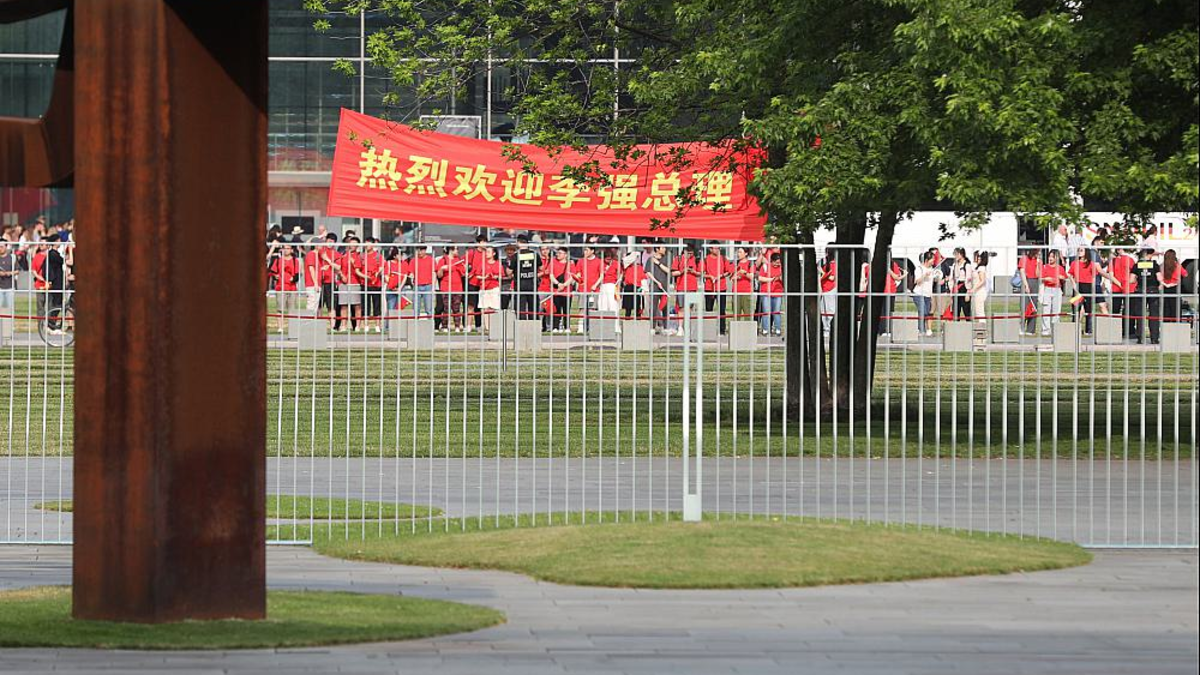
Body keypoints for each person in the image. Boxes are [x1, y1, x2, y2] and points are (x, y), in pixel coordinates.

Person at [1130, 248, 1161, 344]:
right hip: (1153, 291)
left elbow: (1131, 280)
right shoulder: (1154, 265)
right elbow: (1159, 278)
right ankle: (1154, 338)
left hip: (1140, 291)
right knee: (1154, 315)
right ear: (1148, 255)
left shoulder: (1137, 265)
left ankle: (1140, 338)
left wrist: (1137, 279)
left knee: (1140, 315)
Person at [1067, 246, 1099, 335]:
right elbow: (1069, 274)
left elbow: (1093, 277)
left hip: (1088, 287)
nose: (1079, 252)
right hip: (1078, 287)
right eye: (1078, 250)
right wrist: (1073, 284)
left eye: (1081, 250)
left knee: (1089, 309)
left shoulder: (1091, 264)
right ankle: (1075, 329)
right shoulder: (1074, 263)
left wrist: (1093, 289)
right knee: (1075, 309)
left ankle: (1088, 330)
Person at [269, 243, 301, 333]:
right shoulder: (278, 260)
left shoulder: (295, 261)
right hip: (280, 287)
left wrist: (293, 279)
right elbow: (272, 272)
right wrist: (275, 276)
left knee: (292, 309)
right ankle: (280, 327)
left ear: (291, 250)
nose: (286, 250)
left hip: (292, 288)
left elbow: (298, 274)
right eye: (284, 248)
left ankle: (293, 328)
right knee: (280, 308)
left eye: (288, 248)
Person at [335, 237, 364, 332]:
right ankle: (343, 325)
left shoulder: (360, 256)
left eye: (355, 244)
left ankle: (358, 326)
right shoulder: (343, 255)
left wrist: (353, 263)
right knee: (343, 305)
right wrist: (341, 275)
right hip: (344, 283)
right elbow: (338, 268)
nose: (353, 245)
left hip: (355, 283)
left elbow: (359, 270)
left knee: (357, 306)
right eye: (351, 243)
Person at [509, 235, 541, 321]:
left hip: (520, 284)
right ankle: (533, 325)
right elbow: (541, 268)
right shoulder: (535, 254)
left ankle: (521, 326)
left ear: (519, 243)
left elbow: (509, 271)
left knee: (520, 308)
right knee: (533, 307)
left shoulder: (515, 256)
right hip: (532, 284)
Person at [574, 244, 604, 333]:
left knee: (592, 309)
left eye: (586, 250)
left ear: (592, 251)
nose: (585, 252)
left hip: (593, 290)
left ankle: (592, 328)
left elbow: (601, 275)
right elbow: (578, 273)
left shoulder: (599, 261)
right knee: (582, 308)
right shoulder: (580, 261)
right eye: (584, 250)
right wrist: (577, 277)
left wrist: (595, 285)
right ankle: (580, 327)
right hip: (582, 288)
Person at [1108, 247, 1137, 339]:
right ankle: (1129, 331)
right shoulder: (1130, 260)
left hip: (1116, 288)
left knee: (1115, 310)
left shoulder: (1113, 261)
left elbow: (1111, 275)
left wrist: (1119, 284)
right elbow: (1134, 273)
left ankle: (1114, 331)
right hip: (1129, 287)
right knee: (1129, 310)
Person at [437, 245, 466, 332]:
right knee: (446, 308)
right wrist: (442, 268)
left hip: (457, 287)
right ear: (451, 250)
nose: (457, 251)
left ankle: (457, 326)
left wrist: (462, 267)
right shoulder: (443, 260)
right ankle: (445, 326)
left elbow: (463, 274)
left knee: (456, 308)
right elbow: (439, 275)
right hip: (446, 287)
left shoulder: (459, 260)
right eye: (456, 249)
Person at [702, 245, 730, 334]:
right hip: (709, 288)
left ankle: (722, 330)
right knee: (708, 309)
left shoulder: (723, 258)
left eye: (719, 248)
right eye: (716, 248)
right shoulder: (705, 259)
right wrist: (709, 276)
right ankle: (708, 330)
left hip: (721, 287)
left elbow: (728, 271)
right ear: (710, 249)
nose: (718, 250)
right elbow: (701, 273)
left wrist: (720, 276)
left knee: (722, 309)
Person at [910, 251, 940, 336]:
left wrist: (936, 278)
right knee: (922, 310)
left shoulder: (931, 269)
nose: (933, 261)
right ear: (927, 260)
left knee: (926, 312)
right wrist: (924, 275)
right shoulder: (919, 269)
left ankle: (922, 329)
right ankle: (921, 330)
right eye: (932, 259)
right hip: (919, 294)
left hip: (927, 295)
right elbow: (917, 281)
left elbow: (933, 280)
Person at [1157, 249, 1188, 328]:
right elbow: (1185, 274)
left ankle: (1166, 328)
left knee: (1166, 310)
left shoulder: (1161, 266)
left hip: (1165, 289)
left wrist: (1165, 284)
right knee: (1176, 310)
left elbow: (1159, 277)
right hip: (1175, 288)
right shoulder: (1177, 266)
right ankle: (1176, 328)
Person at [1039, 250, 1067, 336]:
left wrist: (1061, 277)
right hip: (1047, 289)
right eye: (1049, 256)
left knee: (1056, 310)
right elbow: (1041, 277)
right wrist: (1046, 279)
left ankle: (1055, 328)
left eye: (1052, 257)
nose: (1050, 258)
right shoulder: (1045, 267)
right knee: (1046, 309)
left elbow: (1064, 278)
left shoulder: (1060, 268)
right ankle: (1045, 329)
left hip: (1057, 289)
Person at [646, 245, 674, 334]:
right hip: (654, 286)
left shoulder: (667, 259)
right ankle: (653, 327)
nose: (664, 249)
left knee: (665, 306)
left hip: (665, 286)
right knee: (653, 307)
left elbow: (669, 270)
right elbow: (648, 272)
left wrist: (658, 263)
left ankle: (665, 327)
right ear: (657, 249)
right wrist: (656, 281)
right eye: (663, 248)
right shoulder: (650, 259)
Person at [548, 247, 575, 332]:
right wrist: (558, 284)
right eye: (557, 253)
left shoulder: (570, 264)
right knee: (556, 310)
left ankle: (567, 327)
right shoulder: (553, 262)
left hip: (567, 291)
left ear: (565, 255)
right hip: (556, 291)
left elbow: (572, 277)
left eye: (560, 253)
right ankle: (555, 327)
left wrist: (564, 285)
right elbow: (551, 275)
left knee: (566, 310)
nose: (558, 255)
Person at [757, 251, 784, 335]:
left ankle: (778, 329)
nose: (777, 264)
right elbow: (760, 278)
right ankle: (765, 329)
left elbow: (784, 279)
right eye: (775, 263)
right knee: (766, 311)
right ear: (771, 261)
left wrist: (779, 278)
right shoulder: (765, 266)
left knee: (776, 311)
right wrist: (771, 279)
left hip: (777, 293)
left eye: (779, 263)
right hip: (766, 292)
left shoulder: (782, 268)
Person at [477, 246, 503, 331]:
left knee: (494, 307)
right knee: (484, 308)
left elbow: (501, 275)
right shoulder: (482, 264)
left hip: (494, 287)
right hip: (484, 288)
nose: (486, 254)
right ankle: (487, 327)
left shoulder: (498, 264)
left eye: (488, 252)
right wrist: (484, 277)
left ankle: (493, 327)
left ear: (494, 253)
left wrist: (495, 276)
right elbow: (477, 275)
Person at [1017, 248, 1042, 335]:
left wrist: (1038, 263)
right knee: (1024, 305)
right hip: (1026, 281)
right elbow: (1022, 271)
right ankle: (1022, 327)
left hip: (1035, 281)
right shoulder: (1024, 258)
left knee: (1033, 306)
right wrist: (1026, 284)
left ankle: (1031, 329)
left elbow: (1038, 274)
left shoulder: (1038, 261)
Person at [466, 235, 488, 331]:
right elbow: (465, 264)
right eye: (483, 242)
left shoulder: (488, 253)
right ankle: (469, 325)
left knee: (481, 306)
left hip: (483, 283)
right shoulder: (472, 253)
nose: (485, 244)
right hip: (472, 282)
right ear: (478, 243)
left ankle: (479, 325)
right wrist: (468, 273)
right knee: (471, 305)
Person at [362, 239, 385, 332]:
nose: (367, 245)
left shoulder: (378, 256)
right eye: (366, 243)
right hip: (365, 283)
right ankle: (366, 325)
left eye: (369, 243)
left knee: (377, 305)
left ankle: (377, 326)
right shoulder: (361, 256)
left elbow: (382, 266)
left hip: (376, 284)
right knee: (365, 305)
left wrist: (377, 273)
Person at [731, 247, 757, 324]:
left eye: (740, 252)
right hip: (736, 292)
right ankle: (736, 331)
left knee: (747, 314)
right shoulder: (735, 263)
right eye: (738, 252)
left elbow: (752, 277)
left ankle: (748, 331)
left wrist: (744, 273)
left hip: (747, 292)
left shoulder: (750, 264)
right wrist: (735, 277)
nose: (738, 254)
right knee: (736, 314)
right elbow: (731, 277)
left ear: (746, 253)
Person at [411, 245, 436, 319]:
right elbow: (411, 272)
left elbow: (434, 273)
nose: (419, 252)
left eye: (421, 250)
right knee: (415, 309)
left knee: (429, 308)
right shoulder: (413, 260)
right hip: (417, 286)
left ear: (425, 250)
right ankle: (415, 326)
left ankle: (430, 325)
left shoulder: (431, 260)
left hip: (428, 286)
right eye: (418, 250)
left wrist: (433, 286)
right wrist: (411, 276)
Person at [620, 250, 646, 320]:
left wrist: (644, 289)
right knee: (628, 309)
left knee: (638, 308)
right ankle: (627, 322)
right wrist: (632, 255)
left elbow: (643, 278)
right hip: (629, 287)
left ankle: (638, 322)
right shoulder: (626, 267)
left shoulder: (640, 267)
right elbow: (624, 261)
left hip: (638, 288)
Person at [949, 247, 973, 320]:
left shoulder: (967, 265)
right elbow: (951, 278)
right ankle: (956, 327)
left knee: (966, 310)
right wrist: (951, 291)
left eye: (956, 254)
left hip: (964, 287)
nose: (955, 256)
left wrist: (968, 293)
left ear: (961, 254)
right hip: (956, 288)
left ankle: (969, 327)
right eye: (954, 254)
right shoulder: (954, 265)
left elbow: (969, 279)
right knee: (956, 310)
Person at [968, 251, 989, 331]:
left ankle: (982, 329)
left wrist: (973, 289)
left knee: (980, 311)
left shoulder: (981, 268)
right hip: (977, 292)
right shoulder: (978, 267)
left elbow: (982, 281)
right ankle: (980, 328)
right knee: (978, 310)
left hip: (979, 292)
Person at [818, 251, 837, 336]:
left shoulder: (833, 264)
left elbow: (832, 277)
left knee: (830, 310)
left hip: (830, 289)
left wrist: (822, 272)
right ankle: (826, 329)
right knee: (823, 310)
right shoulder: (826, 263)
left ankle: (829, 329)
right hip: (824, 289)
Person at [0, 242, 16, 315]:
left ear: (6, 247)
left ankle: (10, 324)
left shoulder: (11, 258)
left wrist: (8, 273)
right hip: (0, 287)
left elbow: (17, 270)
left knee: (10, 309)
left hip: (9, 287)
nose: (0, 248)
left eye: (2, 247)